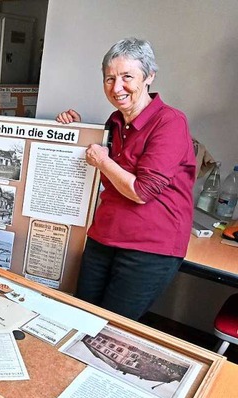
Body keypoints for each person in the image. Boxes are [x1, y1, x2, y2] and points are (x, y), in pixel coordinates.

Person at [56, 38, 195, 320]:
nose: (117, 88)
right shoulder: (114, 122)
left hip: (149, 248)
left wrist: (103, 161)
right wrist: (78, 131)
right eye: (109, 79)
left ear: (149, 76)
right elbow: (104, 170)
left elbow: (142, 191)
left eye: (126, 77)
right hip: (104, 237)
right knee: (81, 317)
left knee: (111, 328)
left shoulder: (170, 122)